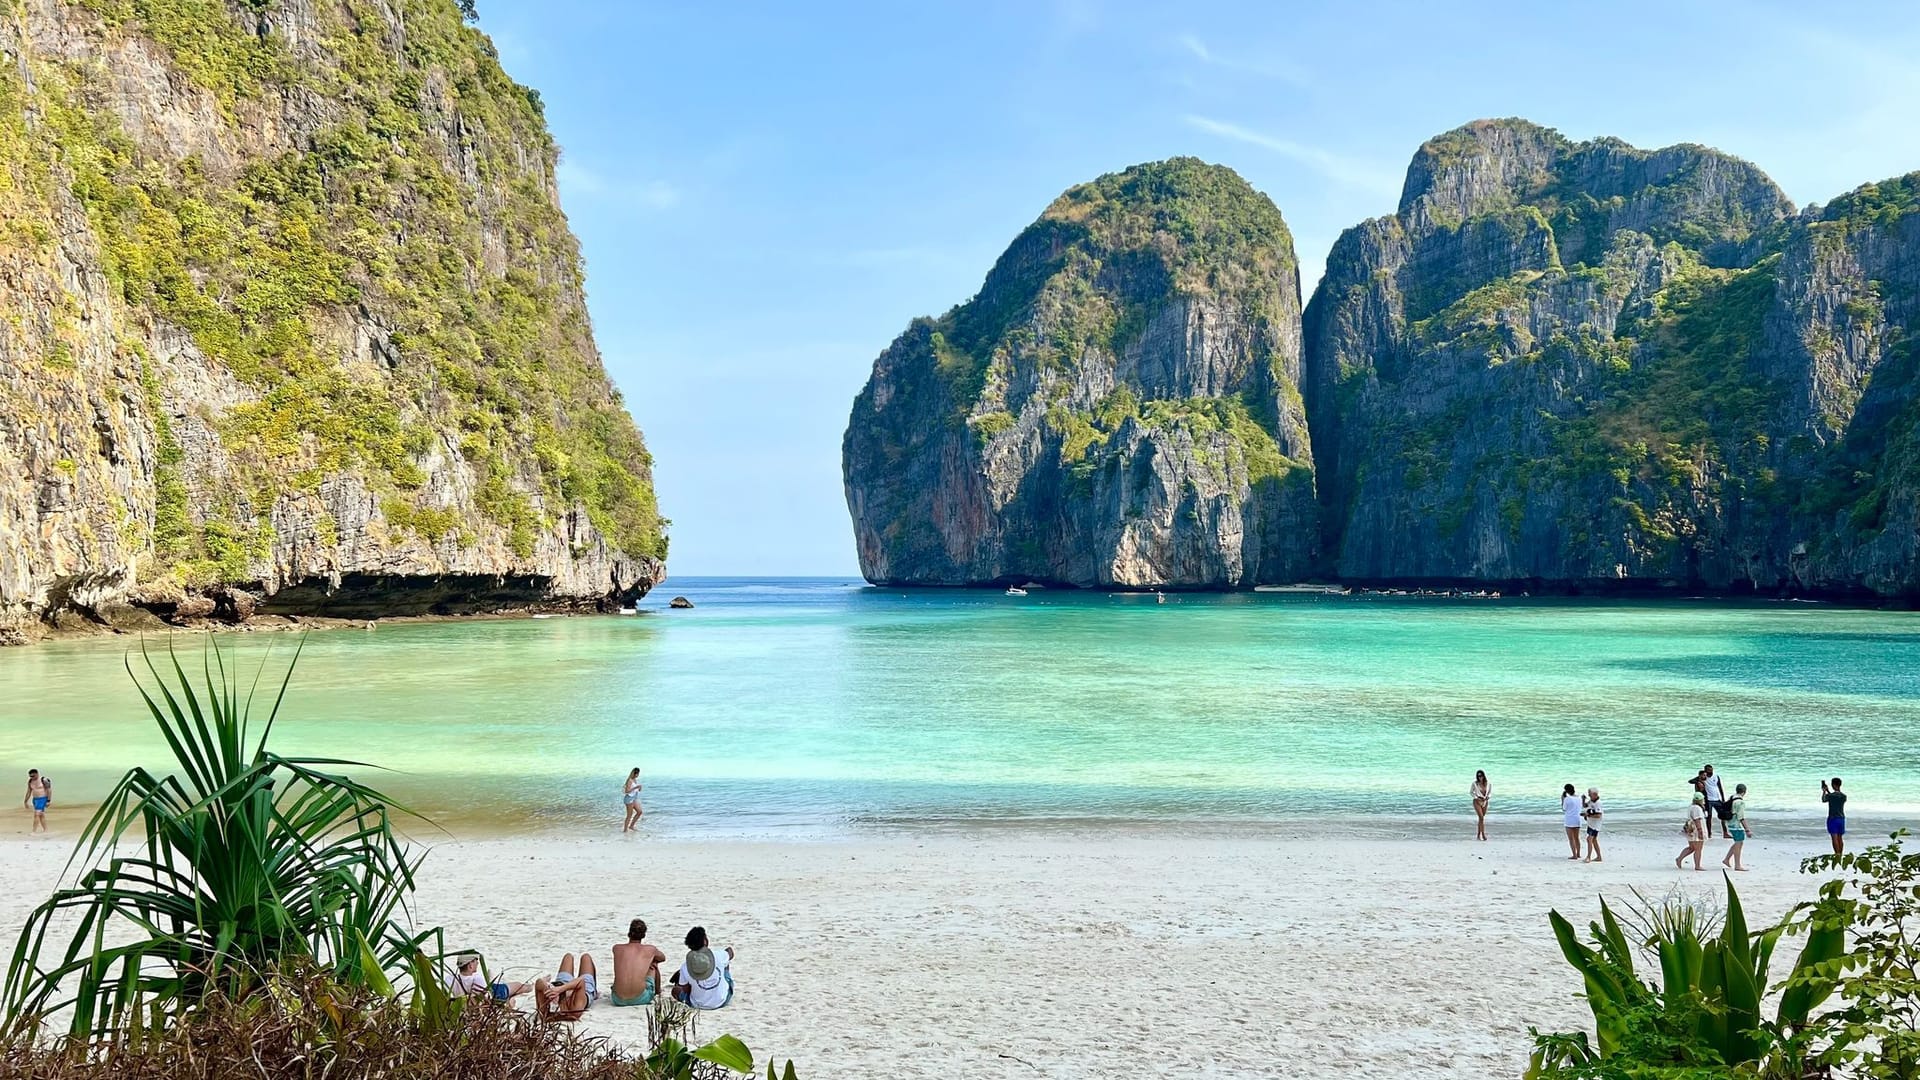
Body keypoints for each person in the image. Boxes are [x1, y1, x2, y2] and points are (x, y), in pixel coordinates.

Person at [671, 926, 735, 1010]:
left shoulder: (685, 966)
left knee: (675, 990)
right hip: (721, 1000)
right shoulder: (718, 955)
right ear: (705, 941)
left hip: (697, 1004)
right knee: (725, 962)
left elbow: (685, 990)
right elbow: (730, 952)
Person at [610, 918, 665, 1007]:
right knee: (654, 963)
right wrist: (650, 959)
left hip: (618, 999)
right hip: (640, 998)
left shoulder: (616, 948)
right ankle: (658, 992)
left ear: (629, 933)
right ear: (643, 935)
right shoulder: (650, 949)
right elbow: (662, 958)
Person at [534, 952, 598, 1021]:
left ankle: (552, 983)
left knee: (568, 956)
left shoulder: (545, 1011)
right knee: (586, 957)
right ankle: (595, 992)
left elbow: (538, 982)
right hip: (583, 990)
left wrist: (547, 988)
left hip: (562, 984)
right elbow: (581, 982)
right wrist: (560, 989)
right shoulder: (574, 1010)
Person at [446, 952, 529, 1002]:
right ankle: (532, 986)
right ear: (470, 965)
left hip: (473, 995)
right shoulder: (477, 979)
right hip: (494, 992)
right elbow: (487, 998)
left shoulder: (450, 979)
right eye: (476, 961)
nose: (478, 963)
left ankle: (490, 980)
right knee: (519, 986)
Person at [1722, 784, 1754, 871]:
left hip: (1729, 823)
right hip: (1736, 825)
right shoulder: (1740, 802)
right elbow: (1741, 817)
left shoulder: (1732, 797)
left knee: (1737, 843)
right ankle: (1737, 865)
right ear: (1744, 792)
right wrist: (1747, 830)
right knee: (1739, 844)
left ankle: (1727, 859)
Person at [1675, 792, 1708, 870]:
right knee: (1698, 849)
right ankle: (1697, 866)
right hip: (1696, 830)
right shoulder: (1697, 808)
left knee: (1691, 848)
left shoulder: (1691, 806)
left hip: (1690, 829)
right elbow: (1697, 820)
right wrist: (1700, 832)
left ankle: (1679, 859)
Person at [1821, 777, 1847, 855]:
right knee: (1840, 838)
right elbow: (1834, 797)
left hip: (1833, 818)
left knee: (1834, 837)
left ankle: (1836, 854)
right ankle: (1840, 854)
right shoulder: (1844, 796)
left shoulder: (1831, 796)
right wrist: (1828, 791)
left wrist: (1824, 791)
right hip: (1841, 818)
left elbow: (1824, 799)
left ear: (1834, 785)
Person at [1701, 765, 1726, 839]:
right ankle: (1709, 833)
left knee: (1723, 816)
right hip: (1709, 800)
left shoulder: (1716, 776)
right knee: (1709, 817)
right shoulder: (1703, 778)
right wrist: (1701, 777)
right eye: (1709, 770)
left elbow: (1720, 787)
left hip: (1717, 799)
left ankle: (1725, 832)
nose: (1711, 772)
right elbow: (1691, 781)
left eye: (1711, 770)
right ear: (1705, 771)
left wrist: (1723, 798)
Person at [1582, 787, 1603, 864]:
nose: (1589, 795)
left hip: (1595, 825)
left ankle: (1588, 857)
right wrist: (1583, 799)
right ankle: (1599, 857)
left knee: (1589, 839)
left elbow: (1598, 815)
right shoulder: (1591, 801)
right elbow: (1585, 806)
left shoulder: (1598, 803)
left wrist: (1588, 815)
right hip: (1591, 824)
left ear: (1595, 794)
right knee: (1594, 840)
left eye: (1589, 794)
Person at [1561, 784, 1582, 860]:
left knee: (1571, 839)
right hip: (1577, 819)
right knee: (1577, 838)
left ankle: (1574, 855)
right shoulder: (1579, 798)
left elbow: (1564, 808)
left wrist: (1562, 799)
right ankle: (1578, 853)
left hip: (1569, 819)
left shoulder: (1567, 799)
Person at [1469, 770, 1491, 841]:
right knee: (1481, 817)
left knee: (1481, 819)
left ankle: (1478, 835)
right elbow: (1471, 792)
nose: (1480, 777)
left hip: (1485, 802)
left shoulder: (1488, 783)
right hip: (1477, 802)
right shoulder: (1475, 784)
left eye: (1481, 776)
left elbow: (1490, 792)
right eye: (1478, 776)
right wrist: (1477, 797)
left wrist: (1488, 797)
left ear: (1483, 776)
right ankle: (1483, 834)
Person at [623, 768, 643, 833]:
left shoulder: (635, 780)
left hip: (634, 798)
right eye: (637, 774)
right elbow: (626, 791)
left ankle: (631, 826)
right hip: (629, 798)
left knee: (639, 812)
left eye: (638, 774)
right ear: (634, 773)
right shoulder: (629, 780)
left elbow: (636, 790)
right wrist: (635, 787)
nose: (637, 775)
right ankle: (625, 830)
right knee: (629, 815)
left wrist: (639, 788)